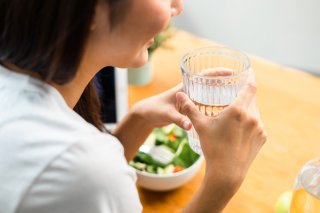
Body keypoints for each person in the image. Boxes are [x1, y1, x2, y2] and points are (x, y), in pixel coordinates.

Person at [0, 0, 267, 212]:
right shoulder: (81, 167)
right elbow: (81, 173)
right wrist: (222, 182)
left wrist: (138, 120)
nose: (177, 5)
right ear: (91, 9)